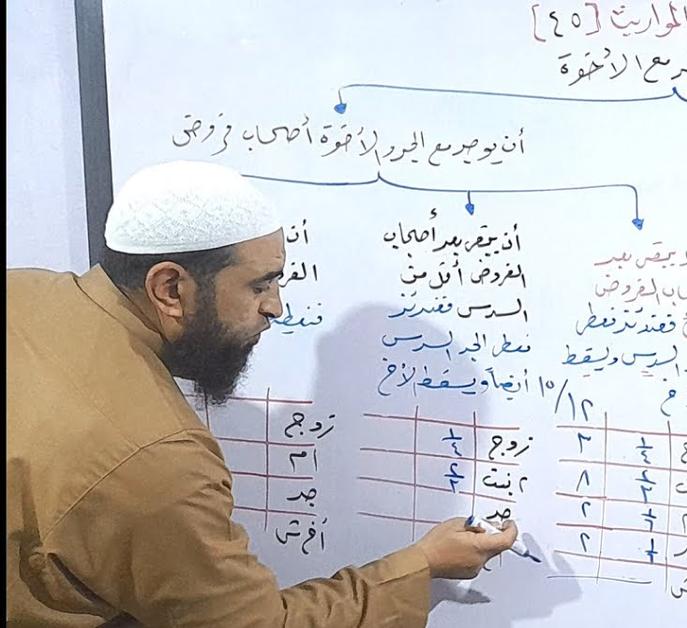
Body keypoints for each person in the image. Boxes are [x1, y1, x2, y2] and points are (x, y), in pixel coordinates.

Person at [6, 160, 517, 627]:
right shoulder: (159, 458)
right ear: (170, 289)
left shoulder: (21, 291)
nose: (276, 306)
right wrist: (422, 563)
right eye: (259, 285)